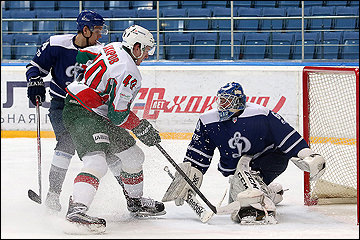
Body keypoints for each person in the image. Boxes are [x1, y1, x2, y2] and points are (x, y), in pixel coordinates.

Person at [162, 82, 326, 225]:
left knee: (247, 181)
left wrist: (309, 155)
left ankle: (259, 205)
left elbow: (288, 137)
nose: (222, 106)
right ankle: (269, 193)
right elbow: (199, 154)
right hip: (237, 169)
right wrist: (187, 178)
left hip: (271, 159)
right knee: (240, 190)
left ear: (238, 102)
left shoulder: (260, 115)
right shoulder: (208, 121)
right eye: (220, 101)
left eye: (227, 101)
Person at [62, 25, 165, 232]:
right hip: (82, 110)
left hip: (97, 112)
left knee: (134, 157)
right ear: (136, 47)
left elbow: (83, 55)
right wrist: (141, 127)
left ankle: (135, 202)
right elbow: (117, 115)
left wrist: (93, 79)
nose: (146, 55)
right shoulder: (130, 72)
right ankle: (76, 211)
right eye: (146, 50)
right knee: (97, 161)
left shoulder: (114, 46)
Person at [26, 10, 110, 212]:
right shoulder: (56, 44)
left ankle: (131, 197)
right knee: (66, 142)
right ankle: (52, 196)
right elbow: (34, 66)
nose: (101, 35)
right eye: (98, 30)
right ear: (86, 30)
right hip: (62, 105)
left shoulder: (102, 52)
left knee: (107, 150)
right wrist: (34, 80)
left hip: (90, 109)